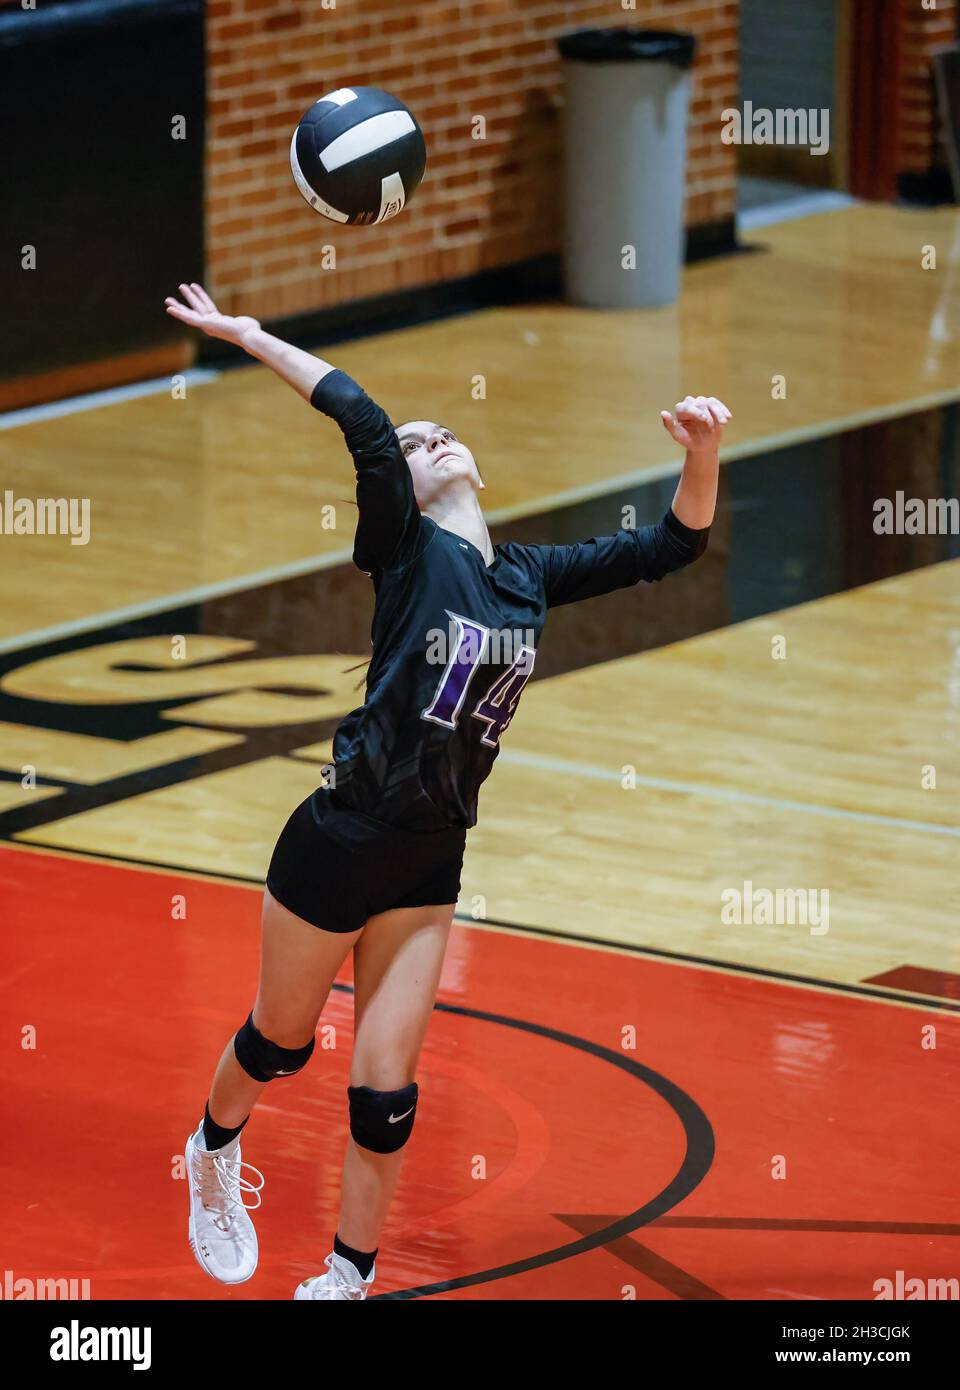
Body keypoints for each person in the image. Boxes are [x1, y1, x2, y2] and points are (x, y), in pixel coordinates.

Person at [164, 281, 729, 1300]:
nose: (434, 440)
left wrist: (700, 454)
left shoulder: (526, 577)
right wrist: (248, 336)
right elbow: (367, 426)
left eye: (444, 435)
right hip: (339, 834)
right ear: (409, 488)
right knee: (279, 1043)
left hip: (431, 856)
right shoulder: (402, 550)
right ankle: (211, 1147)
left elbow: (673, 545)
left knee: (386, 1099)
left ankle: (346, 1277)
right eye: (423, 445)